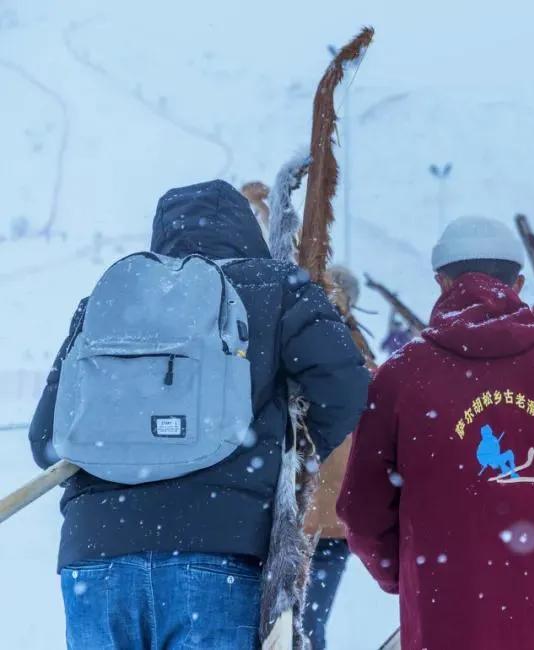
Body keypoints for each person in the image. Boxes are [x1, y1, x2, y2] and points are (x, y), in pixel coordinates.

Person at [28, 180, 369, 649]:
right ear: (246, 230)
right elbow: (345, 388)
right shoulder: (279, 288)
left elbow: (46, 440)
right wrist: (292, 458)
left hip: (97, 559)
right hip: (219, 553)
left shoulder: (105, 301)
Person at [336, 216, 534, 650]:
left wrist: (412, 571)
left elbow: (363, 509)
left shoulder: (401, 377)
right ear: (518, 284)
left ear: (442, 283)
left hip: (448, 604)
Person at [302, 264, 378, 650]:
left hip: (300, 511)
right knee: (309, 624)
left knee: (290, 624)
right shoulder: (358, 349)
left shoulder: (301, 333)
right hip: (335, 514)